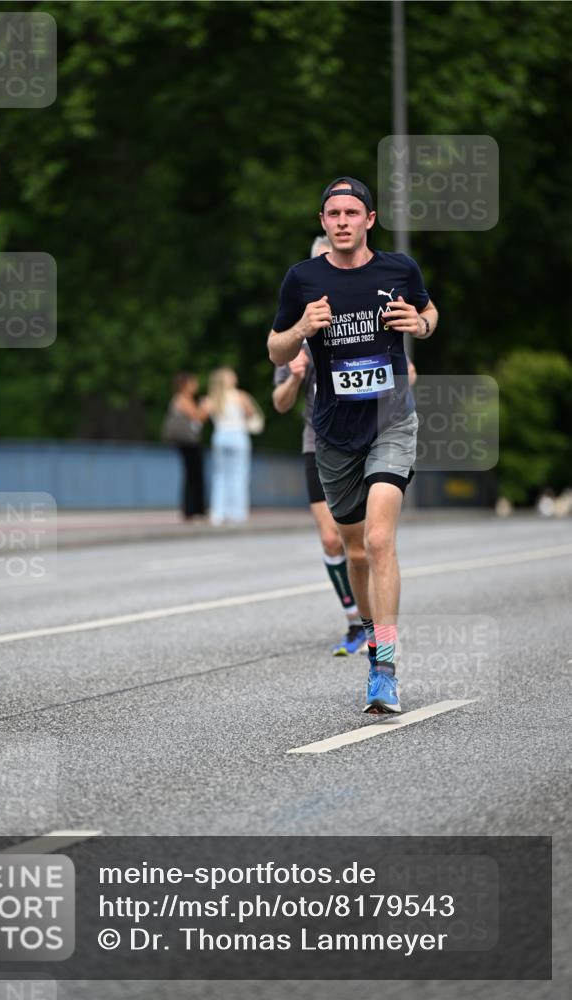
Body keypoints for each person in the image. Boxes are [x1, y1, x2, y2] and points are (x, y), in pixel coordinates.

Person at [268, 177, 438, 713]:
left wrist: (421, 324)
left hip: (391, 422)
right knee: (356, 550)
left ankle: (383, 667)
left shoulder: (399, 269)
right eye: (333, 214)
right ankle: (369, 634)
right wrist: (301, 327)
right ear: (323, 221)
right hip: (334, 433)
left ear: (370, 219)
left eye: (352, 212)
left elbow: (430, 313)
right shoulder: (302, 279)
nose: (342, 221)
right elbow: (275, 350)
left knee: (380, 539)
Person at [272, 235, 368, 656]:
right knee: (332, 540)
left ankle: (377, 621)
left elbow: (409, 372)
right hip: (318, 441)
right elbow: (279, 403)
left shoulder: (363, 317)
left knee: (365, 543)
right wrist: (294, 377)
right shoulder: (296, 332)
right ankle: (354, 622)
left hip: (366, 438)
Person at [205, 367, 257, 525]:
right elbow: (251, 414)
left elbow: (204, 415)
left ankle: (218, 513)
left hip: (220, 436)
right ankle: (238, 513)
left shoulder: (213, 398)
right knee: (239, 475)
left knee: (220, 475)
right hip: (238, 436)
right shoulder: (240, 396)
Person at [164, 372, 209, 520]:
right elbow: (198, 417)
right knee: (193, 475)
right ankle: (193, 509)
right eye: (192, 383)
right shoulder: (182, 400)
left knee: (192, 475)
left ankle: (194, 508)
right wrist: (205, 407)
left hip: (188, 442)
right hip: (188, 443)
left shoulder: (183, 400)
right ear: (184, 385)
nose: (196, 386)